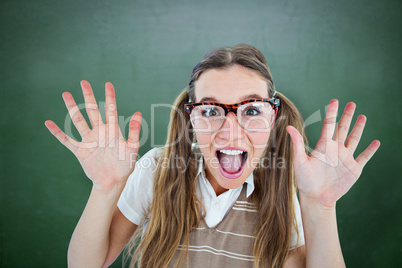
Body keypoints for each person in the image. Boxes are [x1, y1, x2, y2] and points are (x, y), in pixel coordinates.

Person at [45, 44, 380, 268]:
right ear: (191, 119)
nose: (231, 131)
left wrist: (320, 206)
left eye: (251, 109)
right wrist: (104, 188)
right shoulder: (157, 170)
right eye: (210, 110)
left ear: (273, 118)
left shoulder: (282, 193)